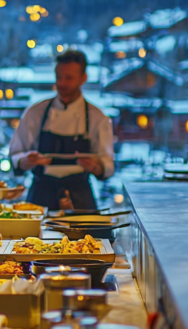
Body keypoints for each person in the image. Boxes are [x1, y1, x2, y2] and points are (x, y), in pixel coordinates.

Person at [9, 50, 115, 211]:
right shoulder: (36, 112)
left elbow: (108, 165)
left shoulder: (97, 118)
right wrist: (25, 160)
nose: (62, 83)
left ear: (83, 78)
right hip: (40, 197)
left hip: (80, 199)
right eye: (59, 77)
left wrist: (96, 166)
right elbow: (15, 154)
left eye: (69, 78)